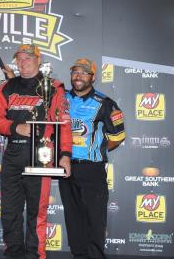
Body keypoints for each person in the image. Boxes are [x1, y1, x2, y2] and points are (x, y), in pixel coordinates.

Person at [0, 44, 72, 259]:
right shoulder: (7, 87)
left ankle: (36, 256)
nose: (23, 62)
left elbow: (63, 123)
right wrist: (16, 128)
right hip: (13, 156)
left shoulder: (53, 86)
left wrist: (65, 156)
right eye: (20, 58)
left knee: (37, 214)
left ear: (38, 59)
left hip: (41, 156)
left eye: (28, 58)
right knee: (9, 213)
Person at [60, 58, 125, 259]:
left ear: (93, 77)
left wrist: (97, 150)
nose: (78, 76)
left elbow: (118, 136)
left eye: (84, 72)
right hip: (66, 167)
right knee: (73, 219)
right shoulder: (60, 99)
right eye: (75, 72)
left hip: (92, 169)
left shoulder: (105, 103)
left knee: (95, 220)